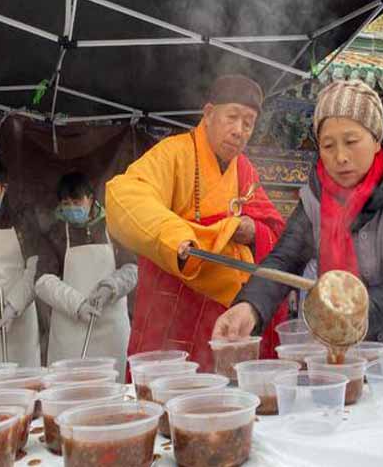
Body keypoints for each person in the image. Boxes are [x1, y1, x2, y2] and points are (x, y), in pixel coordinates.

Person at [213, 79, 383, 342]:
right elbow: (284, 261)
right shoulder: (314, 201)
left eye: (351, 141)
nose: (340, 157)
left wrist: (357, 311)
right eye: (328, 146)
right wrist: (250, 306)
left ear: (376, 140)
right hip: (342, 347)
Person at [106, 74, 286, 372]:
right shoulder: (174, 153)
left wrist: (253, 231)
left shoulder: (244, 170)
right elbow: (123, 194)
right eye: (232, 117)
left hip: (225, 315)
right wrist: (179, 239)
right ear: (208, 113)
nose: (239, 131)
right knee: (169, 396)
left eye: (249, 123)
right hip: (173, 309)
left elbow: (274, 229)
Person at [35, 172, 137, 380]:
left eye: (77, 201)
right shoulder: (55, 234)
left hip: (112, 328)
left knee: (114, 390)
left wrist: (112, 286)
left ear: (90, 199)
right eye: (66, 203)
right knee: (71, 390)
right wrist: (77, 304)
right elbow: (43, 280)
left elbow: (133, 268)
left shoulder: (114, 226)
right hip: (70, 332)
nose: (72, 208)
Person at [0, 157, 43, 366]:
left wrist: (13, 306)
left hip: (19, 315)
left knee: (24, 384)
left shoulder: (22, 220)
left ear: (4, 188)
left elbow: (35, 269)